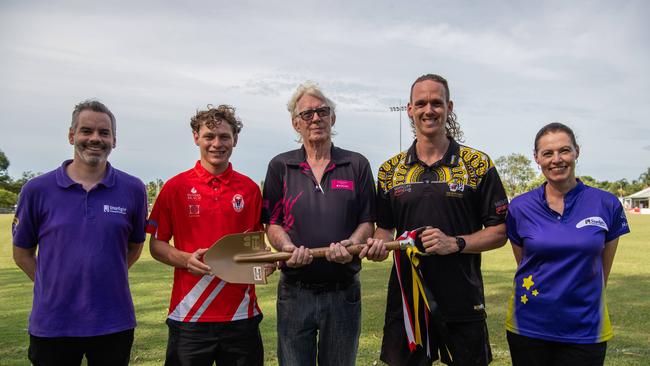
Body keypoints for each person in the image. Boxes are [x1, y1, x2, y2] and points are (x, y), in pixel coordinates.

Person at [368, 74, 509, 365]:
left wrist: (454, 243)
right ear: (409, 109)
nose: (428, 110)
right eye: (421, 103)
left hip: (463, 298)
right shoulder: (388, 171)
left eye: (436, 102)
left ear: (449, 107)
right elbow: (384, 229)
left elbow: (500, 231)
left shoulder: (478, 164)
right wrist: (379, 247)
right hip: (407, 302)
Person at [12, 100, 148, 365]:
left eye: (104, 133)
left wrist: (103, 279)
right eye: (87, 131)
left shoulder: (133, 189)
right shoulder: (37, 189)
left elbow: (134, 247)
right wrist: (52, 285)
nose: (95, 138)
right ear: (72, 135)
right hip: (53, 323)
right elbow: (22, 253)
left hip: (113, 322)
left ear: (114, 140)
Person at [262, 82, 376, 366]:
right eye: (307, 114)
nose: (315, 118)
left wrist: (353, 243)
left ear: (332, 118)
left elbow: (367, 221)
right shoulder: (280, 166)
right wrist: (287, 247)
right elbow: (272, 222)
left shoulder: (356, 164)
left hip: (343, 290)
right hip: (295, 291)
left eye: (322, 111)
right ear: (295, 123)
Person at [147, 104, 269, 366]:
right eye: (209, 137)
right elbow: (156, 245)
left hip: (241, 316)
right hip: (190, 315)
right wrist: (185, 259)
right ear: (196, 138)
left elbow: (256, 248)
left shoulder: (249, 189)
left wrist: (266, 264)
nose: (217, 144)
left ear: (235, 139)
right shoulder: (175, 187)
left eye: (224, 137)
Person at [505, 122, 630, 366]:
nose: (557, 159)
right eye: (547, 153)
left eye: (564, 150)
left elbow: (602, 272)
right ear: (537, 158)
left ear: (576, 152)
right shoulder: (519, 207)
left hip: (585, 328)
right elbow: (526, 265)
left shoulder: (607, 204)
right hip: (529, 326)